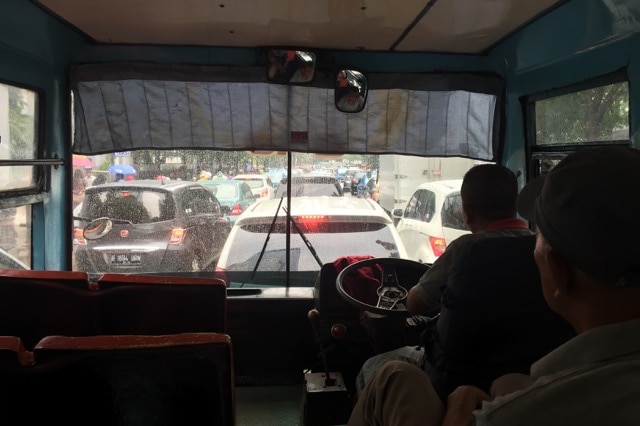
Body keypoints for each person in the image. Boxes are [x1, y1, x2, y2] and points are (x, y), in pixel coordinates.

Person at [348, 146, 640, 426]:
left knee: (387, 373)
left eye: (540, 234)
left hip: (451, 381)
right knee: (507, 382)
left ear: (558, 271)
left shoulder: (508, 417)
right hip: (514, 373)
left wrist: (458, 413)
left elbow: (413, 304)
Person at [355, 164, 535, 394]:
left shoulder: (465, 250)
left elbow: (414, 304)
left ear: (466, 213)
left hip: (455, 377)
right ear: (514, 206)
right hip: (525, 372)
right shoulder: (539, 246)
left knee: (371, 367)